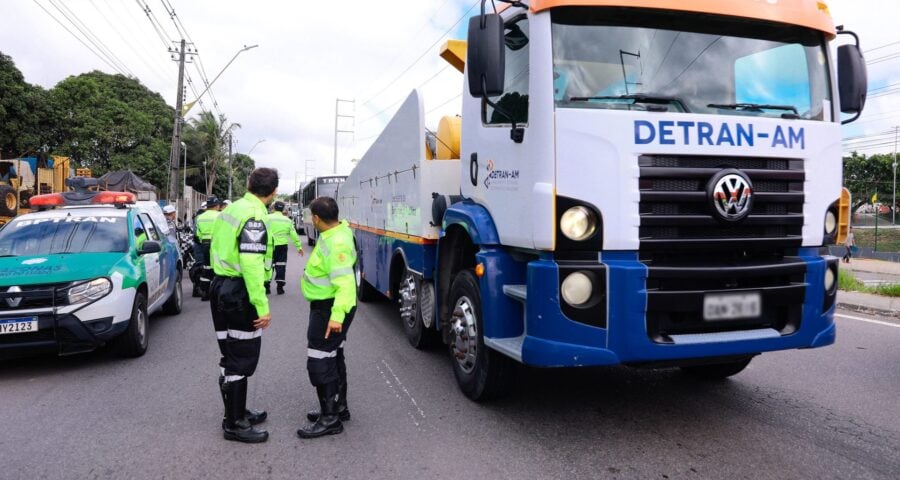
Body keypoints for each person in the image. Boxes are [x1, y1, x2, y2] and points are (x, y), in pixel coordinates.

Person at [209, 168, 278, 444]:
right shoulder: (254, 216)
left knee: (230, 353)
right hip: (239, 291)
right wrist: (261, 306)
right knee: (241, 357)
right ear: (273, 193)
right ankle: (235, 423)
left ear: (249, 185)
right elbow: (251, 265)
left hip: (220, 285)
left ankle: (236, 411)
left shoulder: (232, 208)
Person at [297, 196, 357, 439]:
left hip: (330, 308)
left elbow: (345, 284)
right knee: (333, 355)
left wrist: (337, 316)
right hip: (327, 306)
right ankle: (338, 408)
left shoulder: (337, 242)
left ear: (317, 218)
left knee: (320, 358)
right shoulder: (334, 234)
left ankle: (330, 418)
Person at [265, 201, 304, 295]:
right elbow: (293, 234)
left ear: (273, 208)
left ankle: (266, 287)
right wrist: (299, 247)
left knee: (268, 265)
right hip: (282, 246)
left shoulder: (266, 218)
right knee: (281, 265)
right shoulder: (287, 220)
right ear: (283, 209)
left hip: (269, 246)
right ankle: (280, 287)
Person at [194, 196, 223, 299]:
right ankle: (218, 292)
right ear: (216, 206)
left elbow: (198, 234)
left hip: (205, 244)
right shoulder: (221, 215)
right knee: (219, 268)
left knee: (207, 267)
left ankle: (204, 292)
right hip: (217, 244)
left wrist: (204, 241)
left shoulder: (200, 217)